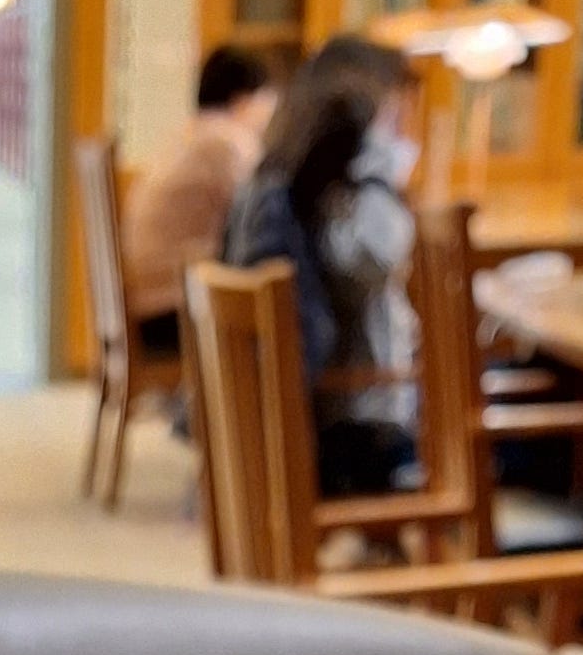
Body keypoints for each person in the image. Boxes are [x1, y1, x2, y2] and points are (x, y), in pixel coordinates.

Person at [223, 36, 423, 496]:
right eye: (394, 116)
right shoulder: (335, 195)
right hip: (352, 436)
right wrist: (381, 164)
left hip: (313, 421)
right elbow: (382, 258)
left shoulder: (275, 177)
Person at [120, 45, 274, 350]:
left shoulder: (187, 137)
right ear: (245, 101)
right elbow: (259, 217)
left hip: (146, 305)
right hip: (173, 311)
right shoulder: (228, 142)